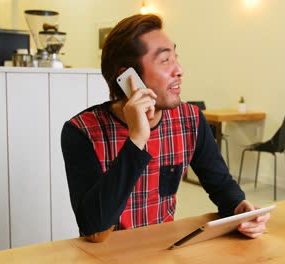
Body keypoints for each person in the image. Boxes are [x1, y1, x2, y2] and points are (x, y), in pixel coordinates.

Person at [61, 14, 270, 243]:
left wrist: (240, 209)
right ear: (128, 77)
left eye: (176, 58)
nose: (179, 69)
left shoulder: (190, 120)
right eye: (165, 61)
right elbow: (93, 228)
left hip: (164, 251)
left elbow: (221, 185)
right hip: (105, 256)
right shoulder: (81, 132)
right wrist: (137, 139)